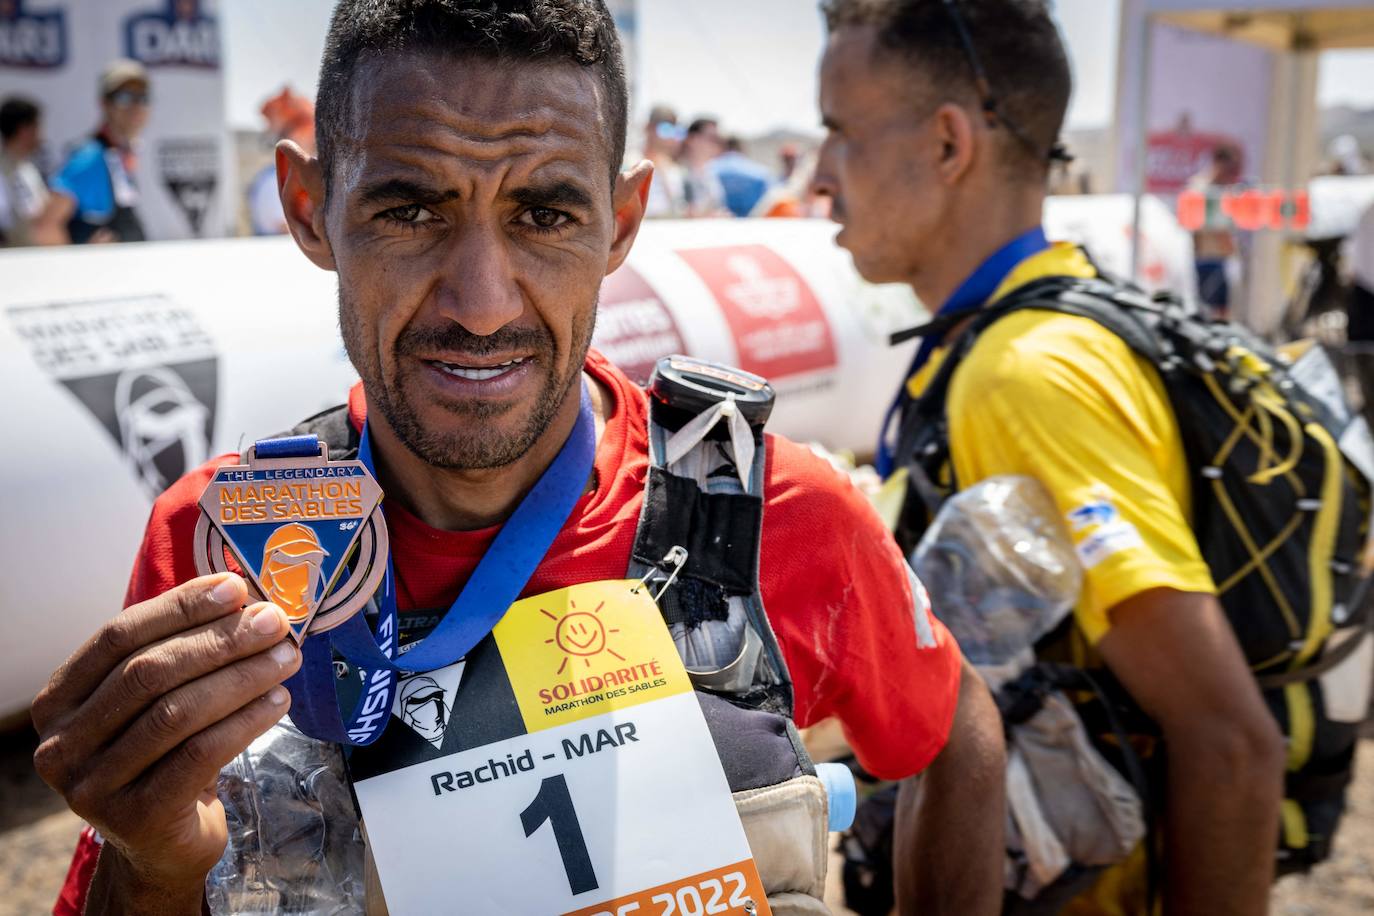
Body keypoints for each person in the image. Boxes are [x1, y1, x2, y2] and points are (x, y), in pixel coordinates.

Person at [36, 2, 1005, 914]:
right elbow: (147, 869)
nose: (482, 301)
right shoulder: (227, 544)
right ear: (307, 206)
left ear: (622, 221)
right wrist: (153, 864)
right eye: (410, 209)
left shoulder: (779, 509)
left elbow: (955, 729)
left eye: (546, 214)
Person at [811, 1, 1289, 914]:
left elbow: (1229, 741)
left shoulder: (1023, 376)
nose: (819, 174)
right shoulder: (1028, 320)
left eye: (840, 132)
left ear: (951, 146)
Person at [50, 59, 150, 244]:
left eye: (142, 98)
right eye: (125, 97)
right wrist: (80, 262)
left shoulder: (119, 154)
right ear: (105, 104)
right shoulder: (89, 157)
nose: (136, 107)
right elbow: (45, 227)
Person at [0, 96, 71, 246]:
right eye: (37, 127)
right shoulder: (4, 170)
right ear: (25, 130)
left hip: (34, 258)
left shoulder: (28, 169)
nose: (40, 135)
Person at [247, 87, 316, 235]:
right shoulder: (276, 182)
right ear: (298, 134)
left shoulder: (283, 178)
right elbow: (293, 233)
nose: (314, 137)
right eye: (309, 129)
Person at [1187, 143, 1243, 318]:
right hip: (1206, 258)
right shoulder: (1202, 188)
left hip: (1220, 258)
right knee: (1207, 311)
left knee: (1221, 310)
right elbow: (1206, 227)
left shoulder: (1225, 189)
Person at [639, 103, 687, 218]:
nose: (671, 136)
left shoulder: (675, 170)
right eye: (665, 129)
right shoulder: (630, 162)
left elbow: (678, 209)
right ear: (647, 127)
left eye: (676, 130)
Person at [681, 116, 728, 217]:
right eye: (712, 138)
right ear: (692, 139)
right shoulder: (678, 175)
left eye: (718, 139)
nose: (716, 144)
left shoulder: (712, 175)